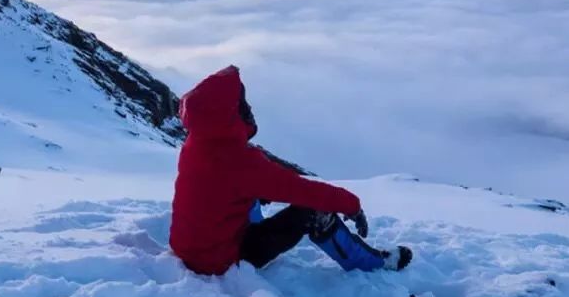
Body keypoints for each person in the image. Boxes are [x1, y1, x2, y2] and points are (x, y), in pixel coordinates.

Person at [169, 65, 412, 276]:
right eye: (241, 104)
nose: (249, 107)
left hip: (189, 249)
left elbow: (223, 183)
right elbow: (304, 191)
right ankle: (373, 263)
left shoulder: (196, 144)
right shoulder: (241, 162)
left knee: (248, 194)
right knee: (313, 211)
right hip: (218, 261)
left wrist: (259, 188)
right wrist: (351, 204)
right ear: (228, 115)